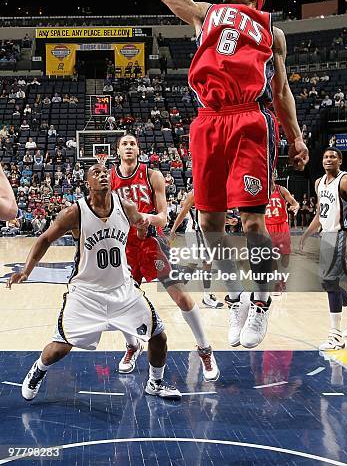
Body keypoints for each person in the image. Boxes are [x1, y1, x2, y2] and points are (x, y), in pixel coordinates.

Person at [105, 0, 309, 349]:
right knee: (211, 224)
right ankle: (235, 300)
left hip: (249, 118)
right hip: (208, 122)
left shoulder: (272, 30)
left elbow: (281, 89)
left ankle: (261, 304)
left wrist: (296, 136)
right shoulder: (205, 14)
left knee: (253, 222)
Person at [7, 163, 181, 401]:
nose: (102, 176)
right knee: (60, 348)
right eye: (95, 173)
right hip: (86, 293)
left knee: (158, 335)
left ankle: (156, 383)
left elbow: (142, 224)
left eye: (104, 172)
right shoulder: (74, 212)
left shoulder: (126, 206)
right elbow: (45, 239)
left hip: (123, 289)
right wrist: (26, 271)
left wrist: (145, 229)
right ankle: (38, 369)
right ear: (87, 183)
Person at [110, 133, 219, 382]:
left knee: (180, 296)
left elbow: (163, 217)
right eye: (124, 144)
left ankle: (205, 349)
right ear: (117, 151)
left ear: (139, 150)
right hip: (124, 245)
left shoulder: (152, 175)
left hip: (151, 242)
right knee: (117, 302)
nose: (129, 147)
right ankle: (132, 345)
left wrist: (142, 219)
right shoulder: (111, 178)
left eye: (133, 144)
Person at [300, 147, 347, 350]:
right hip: (326, 237)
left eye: (333, 156)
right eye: (325, 156)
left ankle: (335, 336)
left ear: (340, 160)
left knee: (330, 282)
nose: (328, 159)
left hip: (340, 235)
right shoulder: (318, 182)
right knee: (331, 284)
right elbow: (319, 215)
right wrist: (306, 234)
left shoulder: (346, 180)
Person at [169, 189, 225, 309]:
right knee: (207, 262)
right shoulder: (194, 193)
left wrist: (229, 221)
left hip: (200, 232)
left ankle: (176, 290)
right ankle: (206, 297)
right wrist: (173, 230)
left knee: (193, 264)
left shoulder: (211, 192)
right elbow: (183, 212)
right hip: (196, 232)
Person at [265, 183, 299, 271]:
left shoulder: (281, 189)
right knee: (271, 258)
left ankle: (282, 274)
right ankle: (278, 280)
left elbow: (295, 203)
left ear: (274, 175)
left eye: (271, 173)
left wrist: (296, 207)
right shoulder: (259, 190)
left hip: (282, 226)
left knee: (285, 259)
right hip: (267, 227)